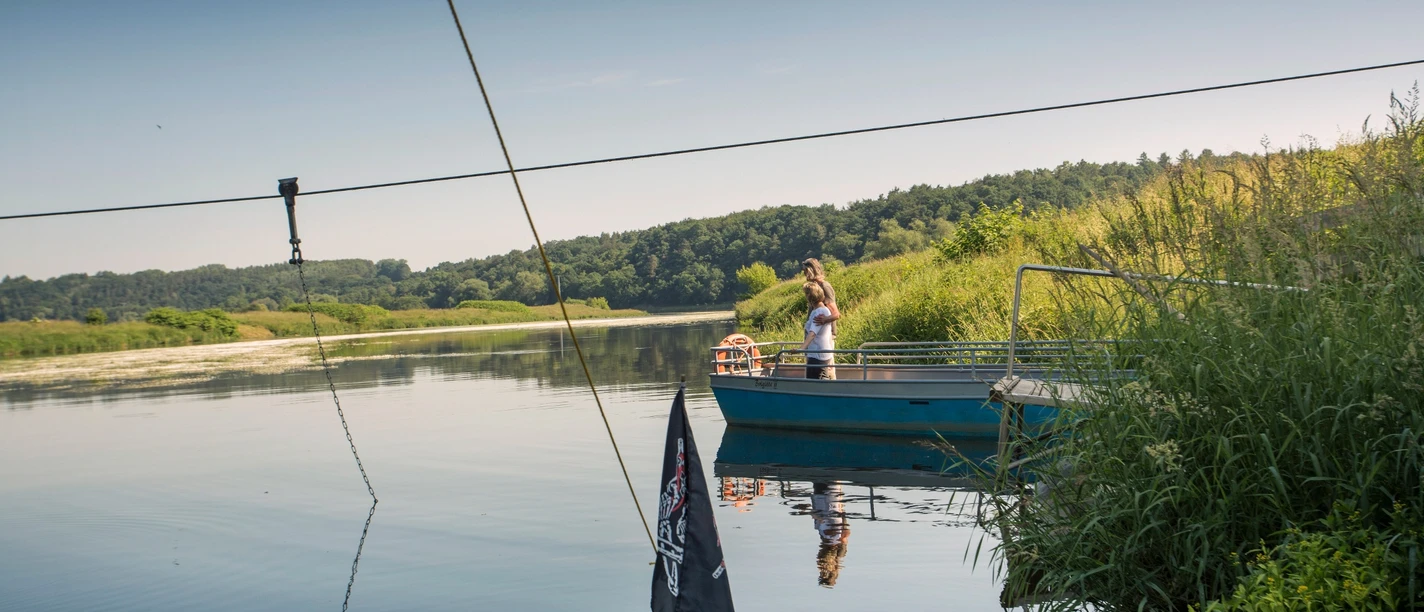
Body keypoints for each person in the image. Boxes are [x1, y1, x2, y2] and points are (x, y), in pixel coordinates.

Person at [801, 281, 834, 380]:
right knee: (820, 379)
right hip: (819, 352)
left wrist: (802, 348)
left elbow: (812, 333)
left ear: (809, 297)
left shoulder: (819, 311)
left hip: (817, 354)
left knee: (815, 382)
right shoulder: (821, 310)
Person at [801, 258, 840, 333]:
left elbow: (836, 314)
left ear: (810, 270)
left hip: (824, 335)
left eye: (805, 271)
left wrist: (824, 319)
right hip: (814, 334)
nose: (804, 274)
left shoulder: (824, 286)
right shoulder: (814, 286)